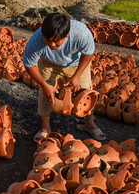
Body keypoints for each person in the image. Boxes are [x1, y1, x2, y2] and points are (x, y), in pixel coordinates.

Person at [22, 13, 106, 142]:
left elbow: (88, 54)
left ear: (66, 35)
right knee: (45, 93)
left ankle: (89, 124)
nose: (51, 44)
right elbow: (29, 64)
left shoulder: (81, 33)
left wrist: (76, 76)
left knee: (86, 92)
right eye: (48, 39)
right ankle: (45, 128)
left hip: (76, 64)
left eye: (56, 41)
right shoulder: (36, 40)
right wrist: (45, 85)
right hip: (49, 63)